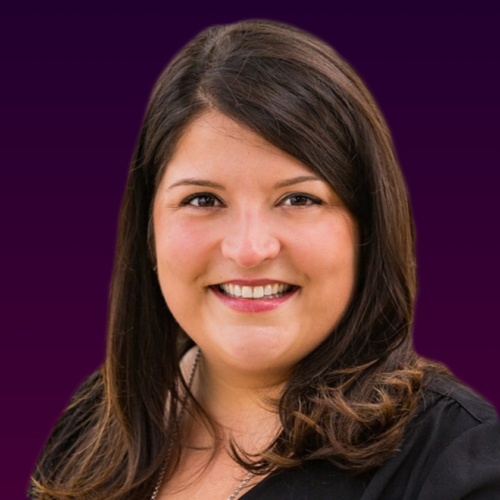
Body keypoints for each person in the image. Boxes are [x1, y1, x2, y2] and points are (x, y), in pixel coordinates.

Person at [29, 20, 500, 500]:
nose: (249, 250)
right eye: (203, 199)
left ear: (368, 227)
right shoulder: (98, 419)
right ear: (149, 228)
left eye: (298, 199)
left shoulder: (453, 461)